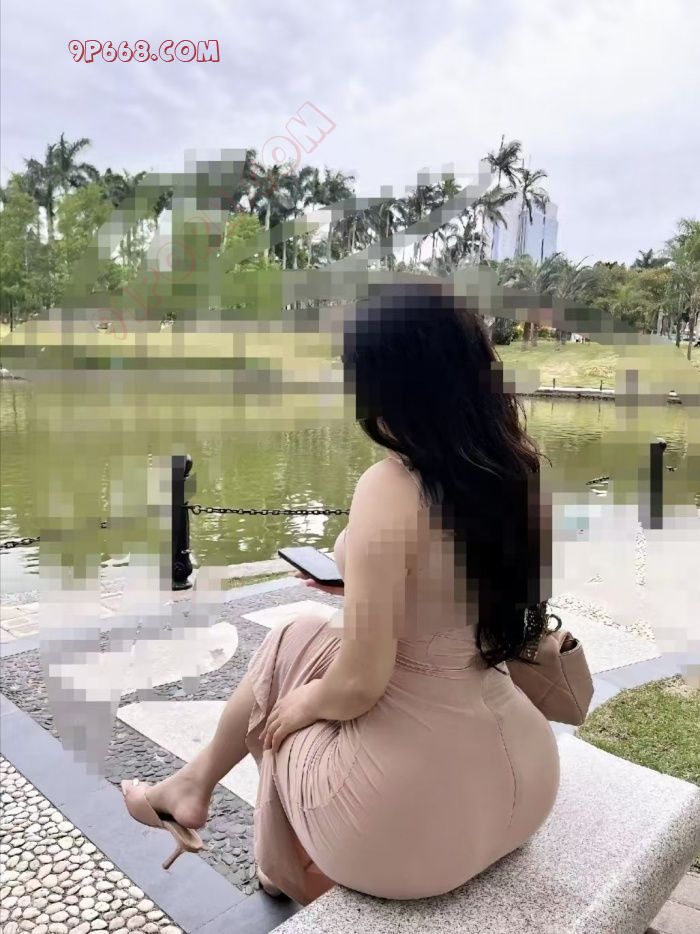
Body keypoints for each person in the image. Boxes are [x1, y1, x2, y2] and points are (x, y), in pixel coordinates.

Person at [121, 282, 560, 905]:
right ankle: (191, 788)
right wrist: (362, 585)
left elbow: (360, 684)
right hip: (528, 780)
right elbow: (463, 588)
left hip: (414, 828)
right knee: (298, 634)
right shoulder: (519, 469)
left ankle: (274, 861)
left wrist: (300, 706)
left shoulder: (393, 484)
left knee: (282, 694)